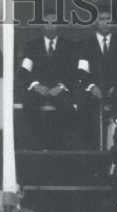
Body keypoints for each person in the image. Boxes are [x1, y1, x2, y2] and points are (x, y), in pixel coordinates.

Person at [17, 16, 81, 150]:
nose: (50, 26)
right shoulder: (32, 46)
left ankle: (59, 147)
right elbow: (24, 72)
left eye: (54, 23)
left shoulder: (69, 46)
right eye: (47, 23)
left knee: (69, 109)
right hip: (39, 90)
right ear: (42, 25)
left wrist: (61, 86)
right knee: (28, 106)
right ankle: (38, 146)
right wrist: (36, 86)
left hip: (60, 90)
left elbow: (75, 72)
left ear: (59, 25)